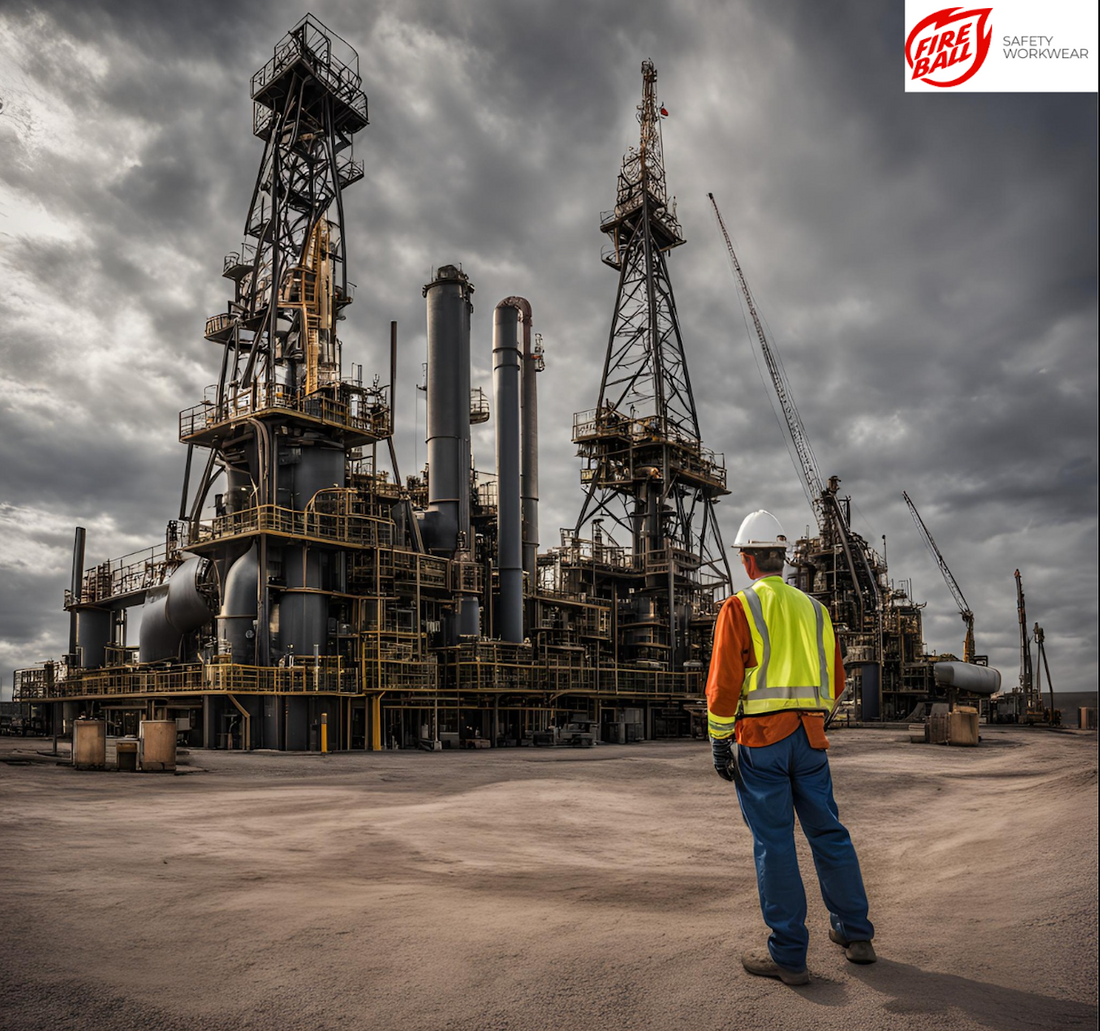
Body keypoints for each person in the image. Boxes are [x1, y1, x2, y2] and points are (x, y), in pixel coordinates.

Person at [706, 509, 875, 986]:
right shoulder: (816, 611)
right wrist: (814, 717)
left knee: (775, 843)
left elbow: (722, 688)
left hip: (762, 742)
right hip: (811, 739)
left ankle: (789, 956)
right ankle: (856, 934)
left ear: (747, 559)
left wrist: (720, 743)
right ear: (781, 558)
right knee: (829, 833)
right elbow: (839, 681)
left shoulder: (741, 607)